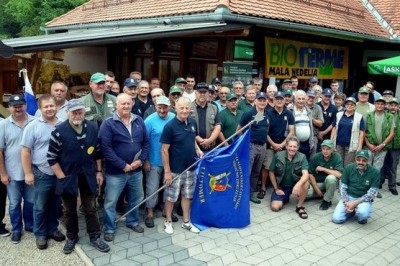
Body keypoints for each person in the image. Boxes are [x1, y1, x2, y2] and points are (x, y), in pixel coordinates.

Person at [47, 99, 110, 254]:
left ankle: (95, 236)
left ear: (84, 112)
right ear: (67, 112)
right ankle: (72, 237)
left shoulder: (93, 127)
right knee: (69, 210)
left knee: (90, 207)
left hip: (88, 175)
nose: (77, 114)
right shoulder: (58, 131)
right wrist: (62, 177)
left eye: (80, 111)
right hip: (67, 176)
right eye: (74, 112)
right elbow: (51, 158)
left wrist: (99, 172)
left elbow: (97, 153)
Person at [99, 93, 149, 241]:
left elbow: (146, 143)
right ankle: (109, 227)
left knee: (136, 197)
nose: (126, 106)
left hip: (136, 170)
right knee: (110, 201)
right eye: (123, 104)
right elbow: (105, 148)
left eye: (128, 103)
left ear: (132, 103)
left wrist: (140, 161)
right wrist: (123, 165)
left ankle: (132, 221)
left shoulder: (139, 120)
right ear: (116, 105)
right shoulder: (108, 124)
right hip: (116, 172)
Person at [21, 95, 65, 249]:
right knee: (40, 206)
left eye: (51, 106)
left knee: (55, 204)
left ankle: (52, 229)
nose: (49, 109)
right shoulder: (33, 126)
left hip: (59, 173)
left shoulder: (63, 124)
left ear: (57, 106)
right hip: (42, 172)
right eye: (46, 106)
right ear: (40, 109)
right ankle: (40, 234)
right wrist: (28, 173)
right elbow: (25, 151)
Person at [160, 97, 203, 235]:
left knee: (187, 196)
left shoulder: (192, 122)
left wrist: (197, 149)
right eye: (181, 108)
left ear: (190, 109)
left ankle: (186, 222)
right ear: (175, 108)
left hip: (190, 168)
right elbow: (164, 150)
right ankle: (168, 221)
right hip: (174, 170)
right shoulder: (169, 126)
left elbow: (192, 139)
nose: (184, 111)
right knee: (171, 197)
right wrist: (167, 171)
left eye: (186, 108)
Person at [0, 95, 35, 244]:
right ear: (9, 107)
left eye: (20, 104)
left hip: (31, 172)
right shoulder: (3, 124)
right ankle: (16, 229)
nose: (18, 107)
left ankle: (29, 225)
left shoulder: (34, 121)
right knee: (14, 204)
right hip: (12, 173)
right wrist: (2, 172)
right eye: (14, 105)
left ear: (25, 105)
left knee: (30, 201)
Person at [144, 96, 175, 228]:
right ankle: (150, 213)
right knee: (152, 188)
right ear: (155, 107)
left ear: (169, 107)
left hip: (170, 161)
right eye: (159, 107)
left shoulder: (174, 117)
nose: (162, 110)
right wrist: (145, 160)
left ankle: (165, 211)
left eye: (165, 107)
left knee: (169, 188)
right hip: (153, 160)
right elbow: (143, 141)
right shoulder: (149, 120)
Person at [258, 91, 295, 200]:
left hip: (284, 146)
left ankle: (279, 187)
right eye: (277, 99)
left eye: (281, 99)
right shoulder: (268, 113)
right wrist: (273, 144)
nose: (279, 101)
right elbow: (265, 131)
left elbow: (292, 131)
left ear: (285, 100)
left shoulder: (289, 113)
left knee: (282, 166)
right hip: (270, 144)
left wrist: (283, 145)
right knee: (267, 166)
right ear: (273, 100)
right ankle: (263, 188)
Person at [237, 91, 270, 204]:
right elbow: (239, 131)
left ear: (266, 102)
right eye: (259, 100)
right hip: (251, 146)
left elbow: (266, 130)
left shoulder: (267, 114)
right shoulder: (248, 114)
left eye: (263, 100)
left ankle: (251, 193)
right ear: (255, 101)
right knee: (247, 171)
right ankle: (242, 194)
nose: (261, 102)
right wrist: (245, 144)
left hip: (263, 146)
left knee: (256, 171)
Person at [332, 150, 380, 225]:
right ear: (355, 159)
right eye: (358, 159)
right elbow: (342, 187)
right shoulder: (349, 168)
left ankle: (361, 215)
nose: (360, 162)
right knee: (336, 219)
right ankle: (352, 211)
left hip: (363, 199)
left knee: (363, 214)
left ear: (368, 161)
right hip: (348, 197)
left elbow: (372, 194)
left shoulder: (375, 172)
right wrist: (346, 202)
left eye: (364, 160)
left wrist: (354, 203)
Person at [269, 136, 310, 219]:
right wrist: (276, 188)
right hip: (282, 186)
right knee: (275, 207)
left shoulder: (302, 157)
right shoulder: (278, 155)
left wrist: (298, 185)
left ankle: (299, 207)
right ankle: (285, 198)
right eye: (290, 146)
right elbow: (271, 172)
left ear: (298, 147)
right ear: (286, 146)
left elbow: (306, 174)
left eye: (295, 146)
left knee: (306, 183)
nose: (292, 149)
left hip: (295, 185)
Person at [364, 97, 394, 198]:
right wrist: (368, 144)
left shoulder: (389, 117)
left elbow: (391, 133)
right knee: (366, 166)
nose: (380, 106)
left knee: (377, 169)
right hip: (369, 146)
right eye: (378, 103)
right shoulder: (368, 115)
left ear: (385, 105)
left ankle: (374, 189)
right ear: (375, 104)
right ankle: (364, 188)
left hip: (382, 148)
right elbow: (363, 131)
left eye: (382, 104)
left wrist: (382, 145)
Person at [308, 139, 343, 210]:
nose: (325, 151)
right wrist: (316, 188)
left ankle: (327, 200)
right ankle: (323, 193)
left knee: (331, 178)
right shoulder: (316, 157)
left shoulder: (337, 157)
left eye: (328, 149)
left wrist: (324, 169)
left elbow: (339, 174)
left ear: (332, 149)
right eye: (323, 149)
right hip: (317, 183)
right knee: (304, 194)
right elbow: (310, 174)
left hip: (329, 183)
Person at [331, 97, 365, 167]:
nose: (349, 106)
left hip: (351, 146)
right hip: (338, 145)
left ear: (355, 106)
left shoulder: (359, 117)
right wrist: (331, 142)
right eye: (348, 104)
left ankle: (346, 178)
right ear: (345, 105)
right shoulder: (339, 114)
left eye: (352, 105)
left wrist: (359, 146)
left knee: (348, 166)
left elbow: (361, 132)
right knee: (338, 165)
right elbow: (334, 128)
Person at [191, 82, 221, 152]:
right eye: (200, 92)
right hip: (194, 147)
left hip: (211, 147)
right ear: (195, 93)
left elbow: (218, 126)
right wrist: (201, 141)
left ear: (208, 93)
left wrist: (210, 140)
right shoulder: (188, 107)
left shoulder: (214, 108)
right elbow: (186, 127)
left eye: (204, 92)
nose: (202, 94)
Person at [292, 90, 315, 161]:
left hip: (306, 143)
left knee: (304, 164)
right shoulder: (291, 110)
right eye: (299, 99)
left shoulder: (308, 111)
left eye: (303, 99)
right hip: (294, 144)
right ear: (295, 99)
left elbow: (310, 127)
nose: (301, 101)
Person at [385, 98, 400, 193]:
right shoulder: (384, 115)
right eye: (391, 105)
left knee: (393, 166)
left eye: (395, 105)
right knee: (382, 165)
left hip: (396, 145)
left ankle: (392, 186)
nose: (393, 107)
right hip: (385, 144)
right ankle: (379, 182)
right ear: (388, 106)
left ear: (398, 106)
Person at [305, 89, 324, 158]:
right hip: (301, 137)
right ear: (306, 96)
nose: (311, 99)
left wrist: (311, 118)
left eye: (313, 97)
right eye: (309, 97)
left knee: (312, 158)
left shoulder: (318, 108)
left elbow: (320, 123)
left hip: (314, 136)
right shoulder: (301, 105)